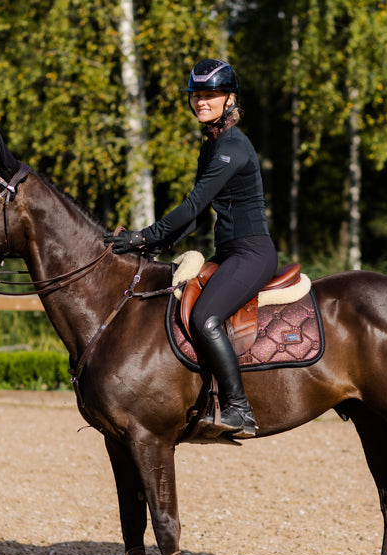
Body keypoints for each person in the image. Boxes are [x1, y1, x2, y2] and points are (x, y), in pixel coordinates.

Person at [104, 59, 277, 439]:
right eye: (197, 95)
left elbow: (194, 204)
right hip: (228, 253)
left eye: (210, 94)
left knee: (205, 317)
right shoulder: (212, 144)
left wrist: (144, 236)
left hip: (252, 253)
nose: (201, 101)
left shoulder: (233, 147)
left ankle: (239, 409)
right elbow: (197, 219)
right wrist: (156, 246)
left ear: (230, 99)